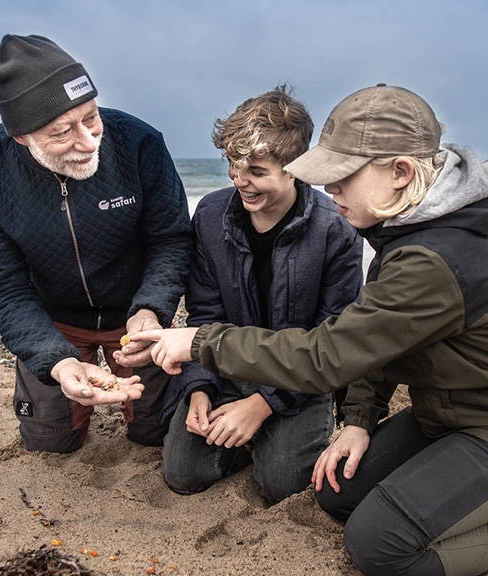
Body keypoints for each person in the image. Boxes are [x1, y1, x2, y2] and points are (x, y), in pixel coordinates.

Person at [133, 84, 488, 575]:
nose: (330, 190)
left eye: (343, 177)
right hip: (448, 415)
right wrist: (360, 421)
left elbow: (327, 354)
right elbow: (374, 343)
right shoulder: (401, 233)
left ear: (400, 172)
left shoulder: (433, 259)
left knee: (379, 546)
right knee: (335, 492)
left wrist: (200, 340)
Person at [0, 34, 191, 454]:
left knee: (156, 433)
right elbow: (2, 286)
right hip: (54, 320)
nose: (87, 141)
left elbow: (169, 239)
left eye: (91, 117)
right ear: (21, 137)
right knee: (49, 443)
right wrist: (57, 360)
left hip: (134, 314)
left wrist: (151, 309)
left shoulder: (140, 142)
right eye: (62, 131)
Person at [153, 86, 364, 504]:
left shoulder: (335, 229)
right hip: (225, 367)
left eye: (255, 170)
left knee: (282, 485)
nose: (239, 179)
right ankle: (249, 442)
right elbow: (204, 313)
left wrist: (262, 405)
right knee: (183, 473)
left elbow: (331, 337)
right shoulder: (211, 215)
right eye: (233, 163)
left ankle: (273, 438)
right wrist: (199, 388)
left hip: (300, 374)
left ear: (295, 169)